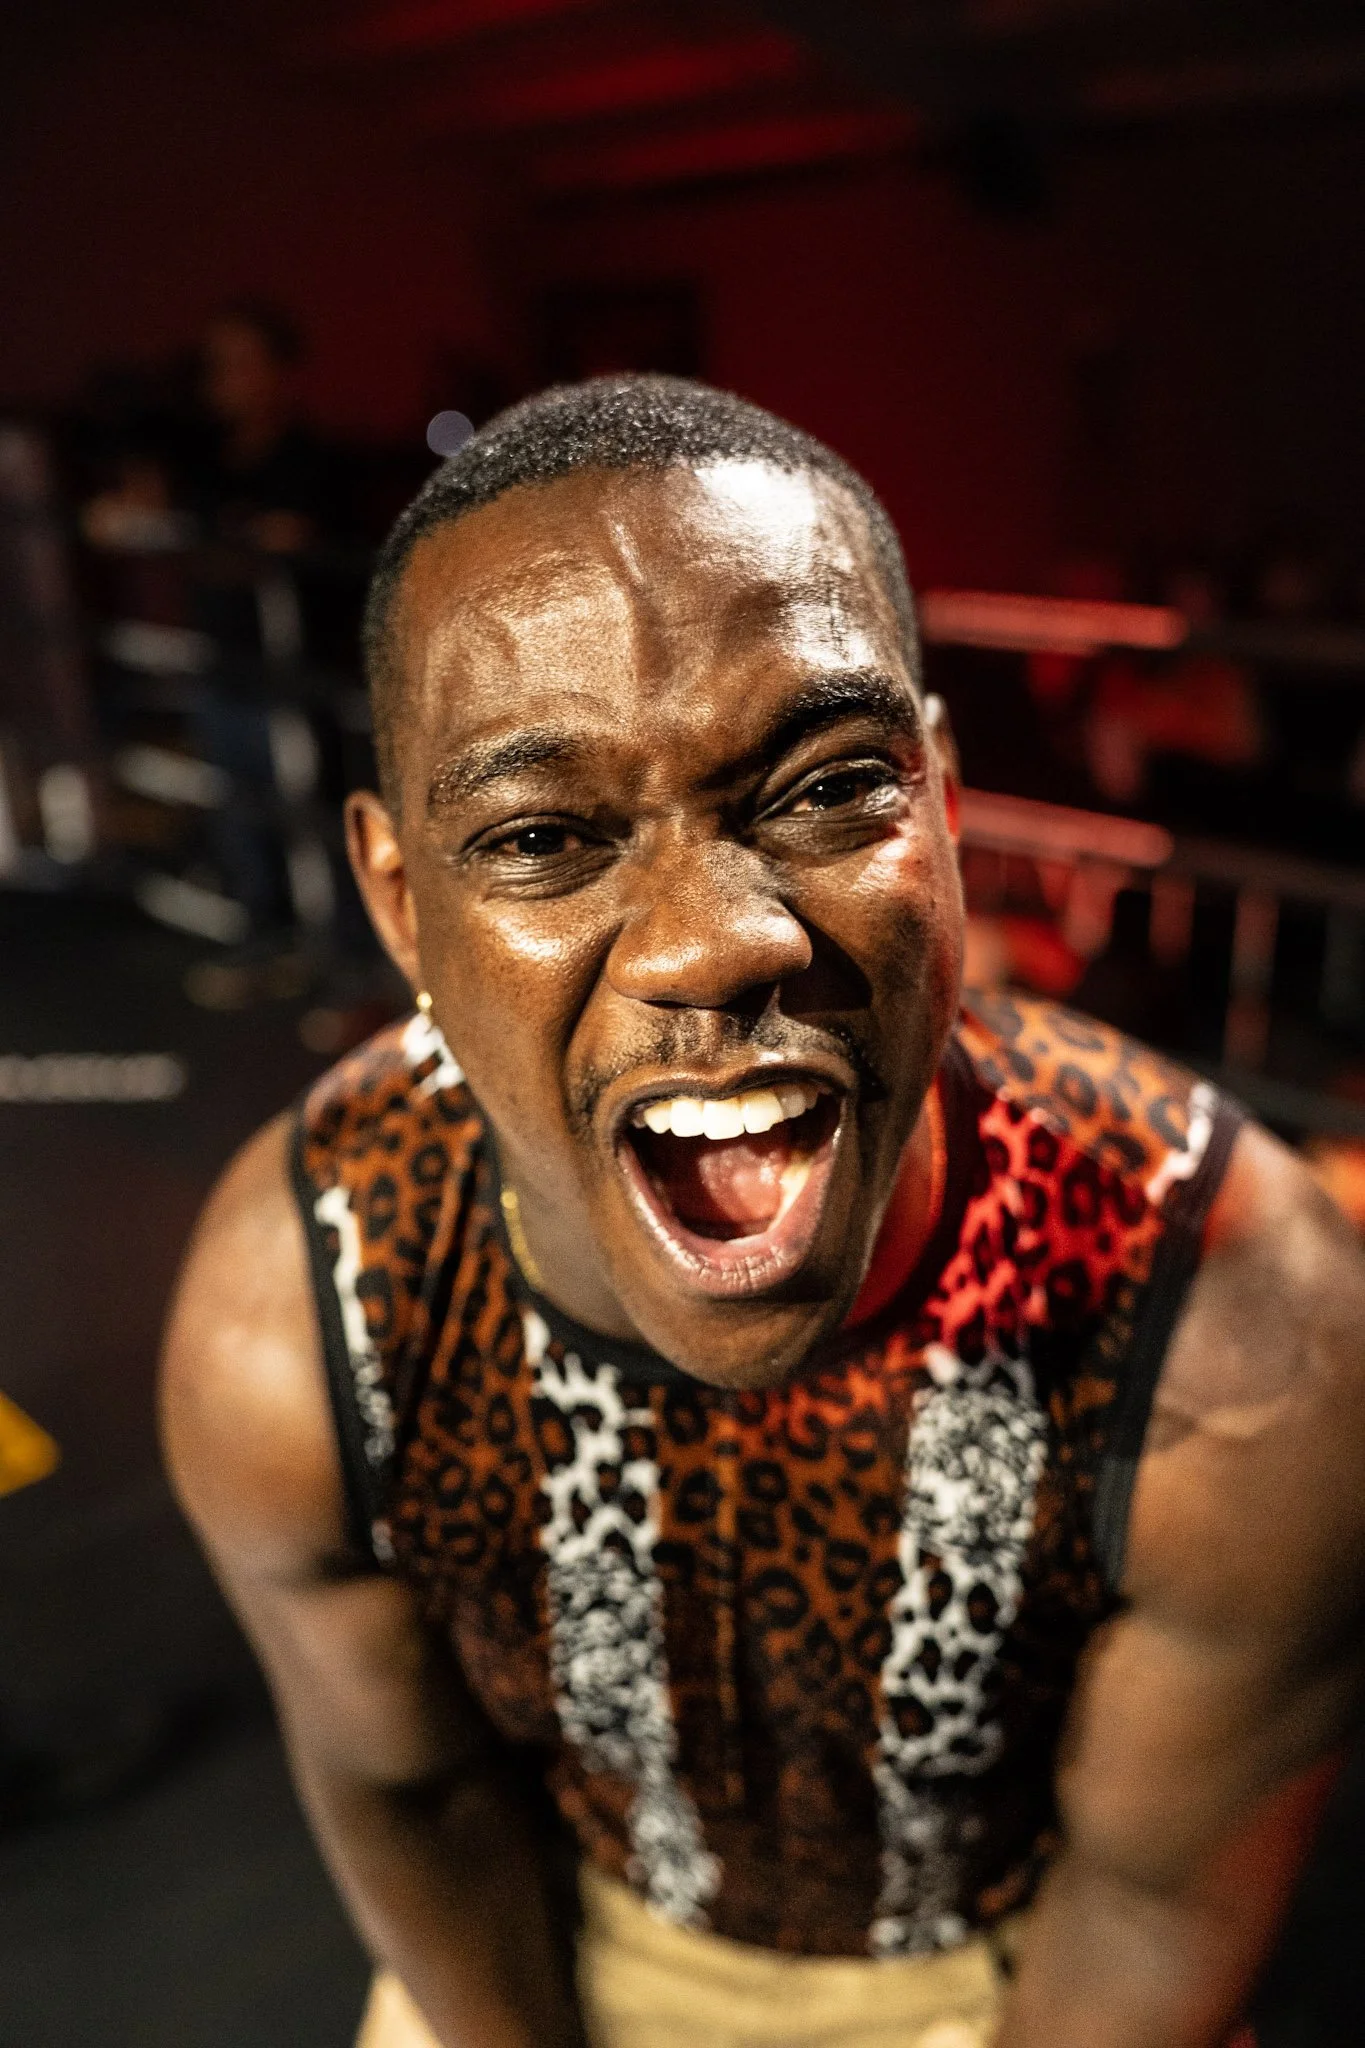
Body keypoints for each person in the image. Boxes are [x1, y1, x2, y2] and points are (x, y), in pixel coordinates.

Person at [160, 377, 1365, 2048]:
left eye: (821, 788)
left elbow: (1157, 1900)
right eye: (544, 835)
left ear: (941, 810)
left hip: (1021, 1976)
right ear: (400, 907)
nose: (711, 943)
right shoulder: (301, 1316)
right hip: (566, 1938)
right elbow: (414, 1793)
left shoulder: (1239, 1325)